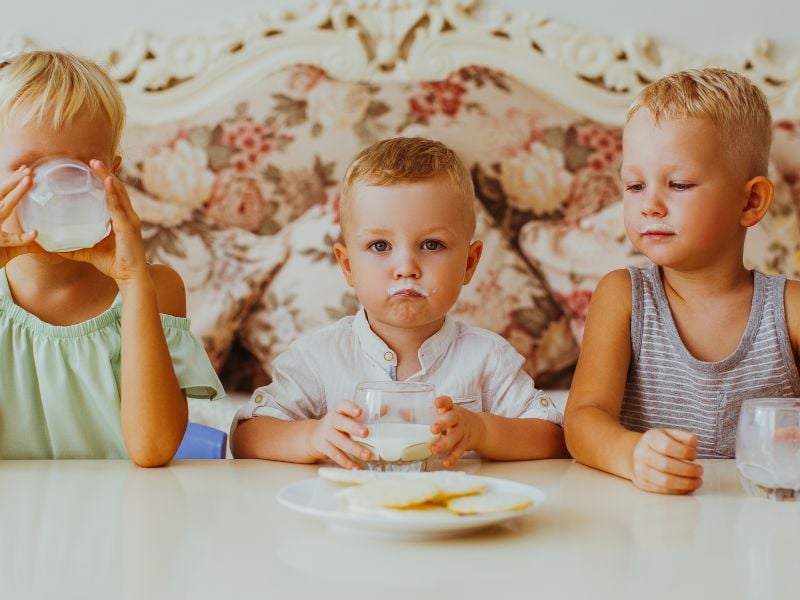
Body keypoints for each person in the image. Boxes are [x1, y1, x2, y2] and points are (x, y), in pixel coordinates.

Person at [232, 137, 566, 467]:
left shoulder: (488, 358)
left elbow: (552, 437)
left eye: (431, 245)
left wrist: (482, 430)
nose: (406, 268)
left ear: (469, 263)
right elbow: (248, 435)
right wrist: (311, 437)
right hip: (347, 515)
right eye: (380, 246)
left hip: (454, 515)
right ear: (348, 266)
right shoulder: (318, 358)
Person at [564, 68, 800, 494]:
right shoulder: (624, 296)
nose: (650, 205)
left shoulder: (789, 309)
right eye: (635, 185)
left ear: (750, 201)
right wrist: (631, 455)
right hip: (652, 523)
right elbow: (582, 420)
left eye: (678, 184)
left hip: (764, 524)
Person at [0, 51, 224, 465]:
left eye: (80, 168)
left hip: (118, 518)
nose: (59, 188)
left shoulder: (154, 287)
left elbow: (153, 449)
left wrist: (135, 283)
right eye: (28, 167)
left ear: (112, 175)